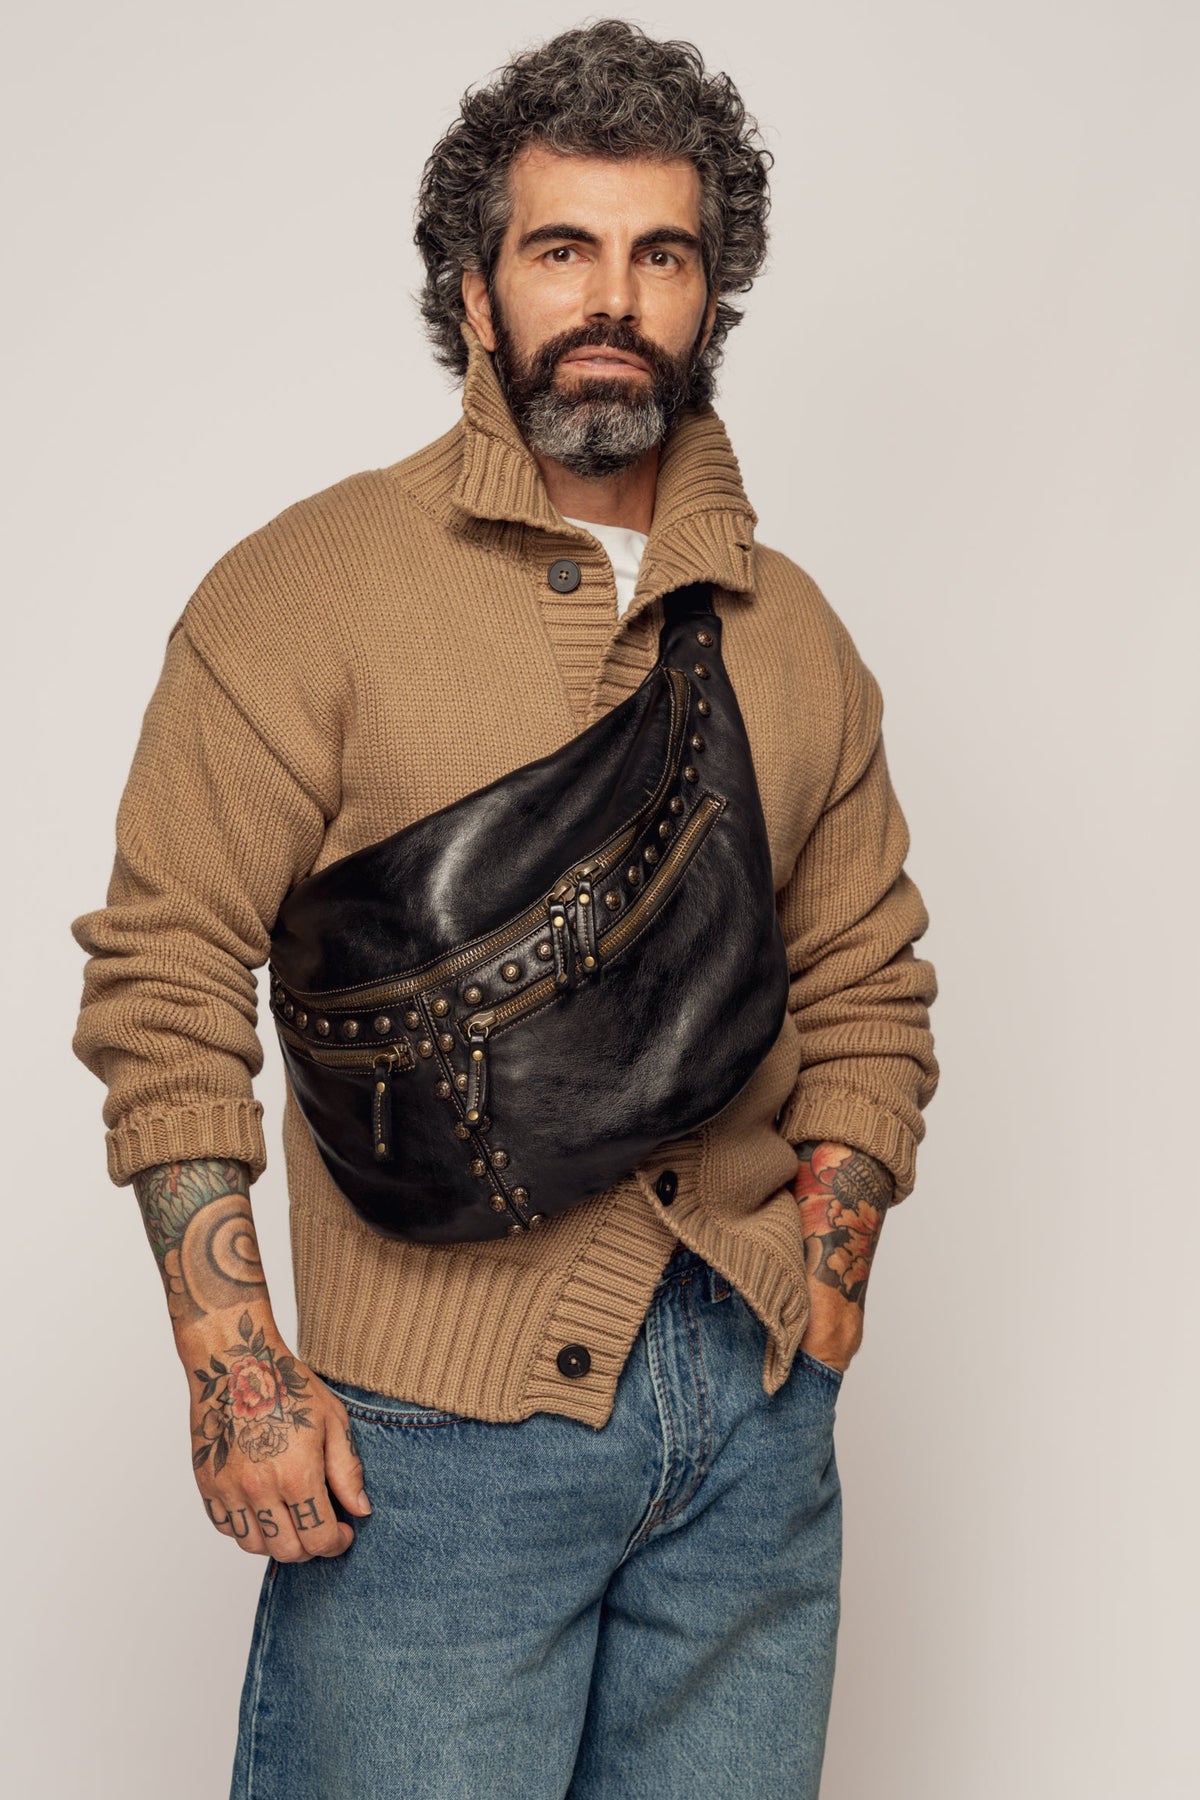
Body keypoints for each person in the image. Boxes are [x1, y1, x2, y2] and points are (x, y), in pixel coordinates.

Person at [70, 20, 938, 1798]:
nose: (612, 299)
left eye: (661, 256)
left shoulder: (793, 631)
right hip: (430, 1449)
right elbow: (164, 981)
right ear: (475, 292)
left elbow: (869, 978)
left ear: (710, 298)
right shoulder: (305, 590)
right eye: (562, 250)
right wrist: (237, 1366)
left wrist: (828, 1274)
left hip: (753, 1436)